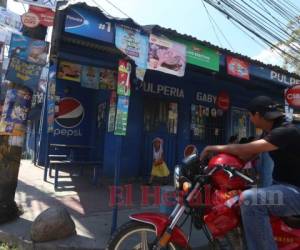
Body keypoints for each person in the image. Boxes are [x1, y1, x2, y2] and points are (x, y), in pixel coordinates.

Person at [200, 96, 300, 250]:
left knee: (250, 199)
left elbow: (247, 149)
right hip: (281, 186)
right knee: (235, 198)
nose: (251, 120)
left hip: (294, 192)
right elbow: (245, 156)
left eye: (250, 116)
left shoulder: (285, 131)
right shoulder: (270, 132)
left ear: (258, 115)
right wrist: (215, 166)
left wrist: (212, 148)